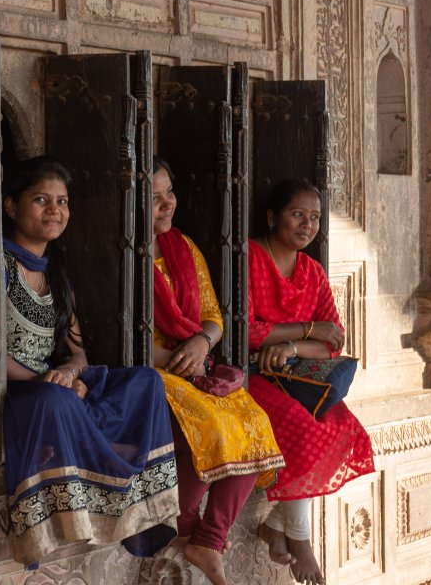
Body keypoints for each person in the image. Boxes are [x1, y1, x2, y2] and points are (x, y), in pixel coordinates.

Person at [2, 156, 179, 568]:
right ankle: (91, 460)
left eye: (62, 202)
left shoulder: (57, 274)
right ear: (12, 207)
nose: (54, 210)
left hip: (54, 385)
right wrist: (51, 382)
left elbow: (78, 352)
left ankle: (107, 469)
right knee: (58, 402)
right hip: (23, 391)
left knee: (146, 381)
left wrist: (70, 372)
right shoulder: (0, 267)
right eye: (41, 200)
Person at [151, 158, 285, 585]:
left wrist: (201, 342)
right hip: (153, 369)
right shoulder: (122, 257)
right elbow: (114, 334)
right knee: (209, 424)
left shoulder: (183, 247)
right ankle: (185, 524)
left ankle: (208, 539)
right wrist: (174, 359)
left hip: (195, 360)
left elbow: (213, 314)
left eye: (169, 193)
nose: (166, 204)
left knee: (254, 422)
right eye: (153, 198)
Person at [247, 179, 375, 585]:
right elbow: (249, 332)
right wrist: (306, 330)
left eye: (315, 217)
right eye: (297, 214)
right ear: (273, 217)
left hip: (294, 374)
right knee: (303, 433)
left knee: (344, 427)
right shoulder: (249, 256)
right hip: (250, 373)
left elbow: (333, 342)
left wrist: (292, 349)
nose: (306, 224)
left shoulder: (313, 272)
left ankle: (275, 525)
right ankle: (300, 538)